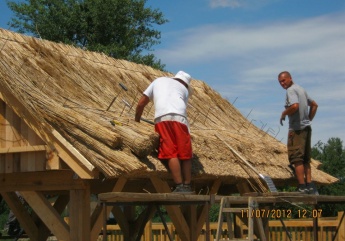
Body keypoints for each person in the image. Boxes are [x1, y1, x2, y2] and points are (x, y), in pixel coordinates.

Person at [135, 71, 194, 194]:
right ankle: (187, 186)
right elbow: (181, 108)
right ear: (186, 83)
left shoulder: (158, 81)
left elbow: (140, 104)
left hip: (163, 117)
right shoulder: (184, 89)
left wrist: (136, 121)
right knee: (185, 152)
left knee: (170, 151)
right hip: (181, 119)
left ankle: (179, 186)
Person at [278, 71, 318, 194]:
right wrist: (308, 120)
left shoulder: (290, 91)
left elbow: (295, 106)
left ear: (290, 78)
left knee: (297, 158)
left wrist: (284, 113)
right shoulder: (301, 89)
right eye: (280, 82)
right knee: (306, 158)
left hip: (297, 129)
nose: (282, 83)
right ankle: (310, 185)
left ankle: (301, 186)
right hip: (306, 128)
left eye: (284, 80)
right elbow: (314, 105)